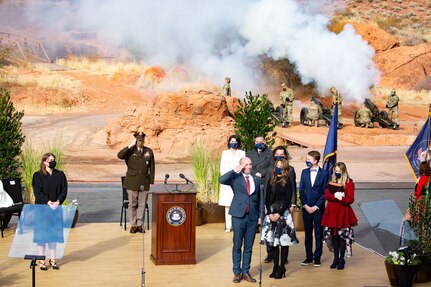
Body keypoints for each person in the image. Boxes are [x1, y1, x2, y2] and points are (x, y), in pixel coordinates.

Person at [219, 157, 262, 283]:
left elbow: (260, 199)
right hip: (238, 216)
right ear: (241, 165)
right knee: (237, 245)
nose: (249, 166)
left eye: (250, 164)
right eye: (246, 164)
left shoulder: (257, 178)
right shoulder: (235, 177)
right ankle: (237, 272)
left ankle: (245, 272)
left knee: (248, 246)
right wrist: (235, 169)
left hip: (253, 217)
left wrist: (260, 216)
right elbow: (221, 180)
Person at [261, 159, 299, 279]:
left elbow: (288, 199)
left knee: (283, 242)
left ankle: (282, 267)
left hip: (283, 213)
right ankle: (275, 267)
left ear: (285, 168)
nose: (278, 168)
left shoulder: (288, 181)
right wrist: (270, 212)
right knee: (274, 243)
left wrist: (279, 214)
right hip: (272, 212)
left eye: (281, 166)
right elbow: (267, 198)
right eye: (277, 166)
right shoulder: (271, 180)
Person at [32, 152, 68, 271]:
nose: (53, 161)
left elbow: (64, 189)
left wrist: (58, 201)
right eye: (50, 160)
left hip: (56, 209)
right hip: (42, 210)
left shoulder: (60, 174)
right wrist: (48, 202)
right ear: (44, 162)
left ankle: (53, 260)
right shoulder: (37, 175)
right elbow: (37, 192)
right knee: (42, 237)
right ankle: (41, 261)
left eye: (54, 159)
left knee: (53, 236)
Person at [321, 162, 358, 270]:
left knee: (342, 237)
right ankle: (335, 258)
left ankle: (341, 259)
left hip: (343, 213)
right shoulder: (332, 181)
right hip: (332, 212)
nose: (337, 173)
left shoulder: (349, 183)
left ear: (343, 171)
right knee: (334, 236)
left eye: (339, 171)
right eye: (335, 171)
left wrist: (342, 198)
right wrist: (335, 196)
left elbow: (351, 199)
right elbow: (327, 195)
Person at [117, 131, 155, 234]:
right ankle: (133, 225)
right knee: (132, 205)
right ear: (135, 140)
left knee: (142, 205)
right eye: (138, 140)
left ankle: (139, 225)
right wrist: (130, 145)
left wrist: (151, 180)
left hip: (144, 182)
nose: (140, 142)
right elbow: (119, 155)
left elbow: (152, 167)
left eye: (142, 140)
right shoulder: (130, 151)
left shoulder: (148, 151)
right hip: (132, 182)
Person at [299, 150, 329, 267]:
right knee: (307, 234)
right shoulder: (304, 172)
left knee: (318, 233)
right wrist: (305, 205)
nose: (307, 161)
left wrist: (316, 206)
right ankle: (308, 257)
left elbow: (325, 192)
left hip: (318, 209)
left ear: (315, 161)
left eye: (309, 159)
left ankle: (317, 257)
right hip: (306, 208)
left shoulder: (324, 173)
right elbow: (301, 190)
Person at [247, 135, 273, 262]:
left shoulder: (270, 153)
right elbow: (246, 167)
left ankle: (270, 252)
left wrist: (261, 173)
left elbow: (271, 167)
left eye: (261, 142)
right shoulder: (250, 153)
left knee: (267, 221)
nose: (259, 143)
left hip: (266, 184)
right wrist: (253, 174)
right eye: (256, 142)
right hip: (254, 186)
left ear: (265, 142)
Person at [219, 135, 246, 232]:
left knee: (237, 203)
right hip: (228, 180)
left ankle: (236, 225)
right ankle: (228, 226)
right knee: (227, 205)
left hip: (238, 180)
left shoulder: (242, 153)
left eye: (235, 141)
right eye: (232, 141)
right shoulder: (225, 153)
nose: (233, 142)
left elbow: (243, 166)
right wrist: (228, 177)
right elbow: (222, 168)